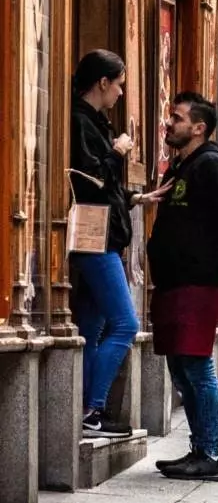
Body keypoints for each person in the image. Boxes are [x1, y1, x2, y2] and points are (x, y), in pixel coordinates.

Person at [149, 93, 218, 482]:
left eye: (176, 118)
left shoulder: (211, 165)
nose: (169, 123)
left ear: (199, 128)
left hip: (195, 282)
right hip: (173, 281)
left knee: (197, 367)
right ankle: (198, 448)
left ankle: (210, 453)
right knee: (180, 367)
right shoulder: (181, 166)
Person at [69, 49, 141, 439]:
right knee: (125, 324)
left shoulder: (94, 121)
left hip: (104, 232)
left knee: (93, 325)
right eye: (118, 86)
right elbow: (89, 179)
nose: (119, 94)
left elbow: (106, 186)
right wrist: (117, 153)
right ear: (102, 83)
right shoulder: (80, 121)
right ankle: (92, 410)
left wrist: (134, 199)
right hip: (94, 237)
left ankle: (85, 410)